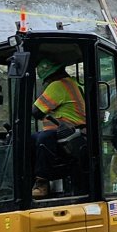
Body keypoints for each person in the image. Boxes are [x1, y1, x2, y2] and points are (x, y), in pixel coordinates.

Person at [32, 59, 87, 197]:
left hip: (69, 135)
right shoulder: (73, 83)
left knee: (39, 138)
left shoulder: (58, 85)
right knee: (37, 137)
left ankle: (41, 182)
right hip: (77, 133)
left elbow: (36, 111)